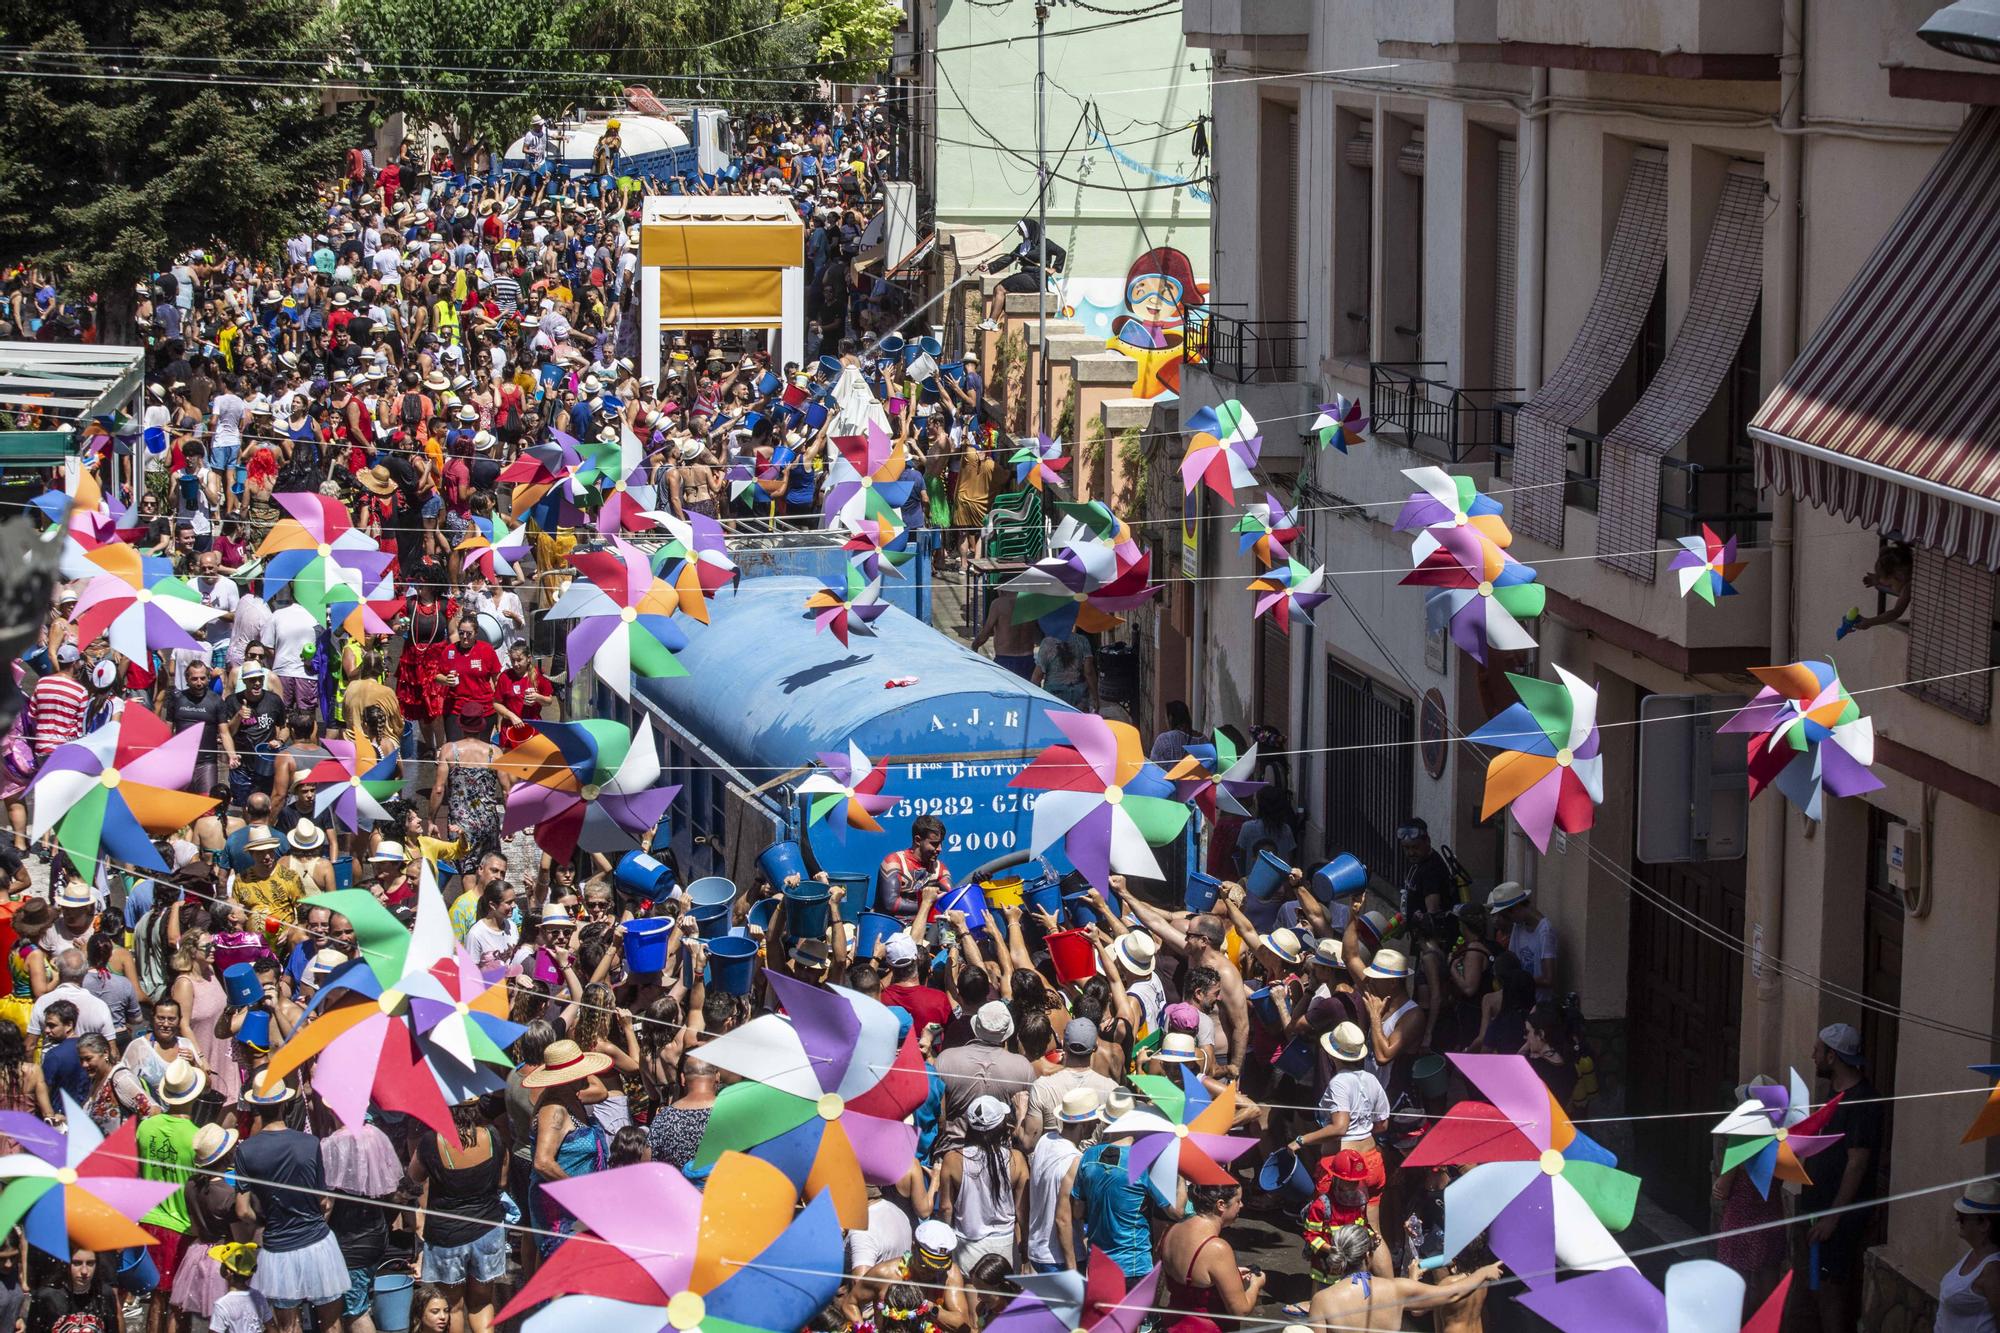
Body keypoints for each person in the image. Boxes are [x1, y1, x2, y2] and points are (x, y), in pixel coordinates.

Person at [232, 1082, 348, 1332]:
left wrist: (263, 1221)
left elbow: (242, 1212)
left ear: (255, 1107)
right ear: (285, 1104)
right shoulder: (309, 1143)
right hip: (317, 1243)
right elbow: (323, 1201)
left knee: (288, 1327)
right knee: (331, 1323)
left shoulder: (246, 1151)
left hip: (278, 1249)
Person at [1798, 1022, 1883, 1332]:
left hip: (1837, 1218)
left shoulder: (1861, 1101)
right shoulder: (1833, 1093)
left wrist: (1833, 1217)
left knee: (1833, 1290)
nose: (1813, 1055)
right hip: (1817, 1207)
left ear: (1832, 1056)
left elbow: (1857, 1162)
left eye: (1818, 1051)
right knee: (1817, 1289)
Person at [407, 1099, 508, 1333]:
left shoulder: (431, 1141)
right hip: (488, 1230)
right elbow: (502, 1181)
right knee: (482, 1302)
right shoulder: (493, 1136)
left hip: (447, 1236)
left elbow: (414, 1178)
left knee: (452, 1306)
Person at [1306, 1225, 1501, 1331]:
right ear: (1367, 1255)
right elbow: (1451, 1294)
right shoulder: (1396, 1289)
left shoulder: (1322, 1300)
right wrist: (1482, 1272)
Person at [524, 1039, 612, 1257]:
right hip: (561, 1208)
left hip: (576, 1205)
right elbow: (543, 1162)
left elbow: (602, 1092)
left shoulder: (571, 1098)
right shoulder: (554, 1109)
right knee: (562, 1270)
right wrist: (577, 1193)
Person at [938, 1094, 1026, 1272]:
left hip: (967, 1247)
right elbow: (1022, 1210)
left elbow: (946, 1208)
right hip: (1005, 1246)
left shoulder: (953, 1159)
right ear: (1001, 1126)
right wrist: (1025, 1241)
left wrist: (944, 1244)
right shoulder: (1016, 1159)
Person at [1160, 1183, 1267, 1328]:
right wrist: (1256, 1284)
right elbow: (1240, 1310)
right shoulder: (1217, 1248)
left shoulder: (1172, 1230)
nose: (1241, 1205)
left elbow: (1193, 1278)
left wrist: (1230, 1276)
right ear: (1221, 1205)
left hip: (1174, 1324)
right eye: (1238, 1201)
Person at [1024, 1087, 1098, 1273]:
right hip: (1060, 1258)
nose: (1097, 1125)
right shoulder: (1076, 1161)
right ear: (1084, 1125)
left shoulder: (1045, 1140)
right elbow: (1063, 1219)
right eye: (1094, 1121)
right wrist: (1072, 1268)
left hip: (1037, 1250)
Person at [1941, 1180, 2000, 1333]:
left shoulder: (1992, 1271)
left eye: (1962, 1217)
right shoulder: (1974, 1254)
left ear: (1984, 1225)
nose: (1957, 1221)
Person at [1488, 882, 1555, 1001]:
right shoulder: (1518, 926)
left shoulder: (1544, 931)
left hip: (1538, 1002)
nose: (1510, 921)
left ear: (1516, 909)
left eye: (1507, 916)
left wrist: (1518, 980)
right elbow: (1512, 959)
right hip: (1520, 999)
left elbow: (1548, 979)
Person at [27, 1245, 118, 1333]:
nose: (84, 1271)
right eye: (77, 1263)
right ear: (66, 1263)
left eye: (90, 1263)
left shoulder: (104, 1294)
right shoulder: (46, 1297)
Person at [876, 815, 952, 921]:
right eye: (934, 844)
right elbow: (891, 904)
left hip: (924, 929)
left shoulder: (939, 869)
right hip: (889, 928)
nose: (940, 849)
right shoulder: (894, 862)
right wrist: (928, 903)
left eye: (941, 843)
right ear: (917, 840)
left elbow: (952, 899)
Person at [206, 1244, 275, 1333]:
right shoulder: (258, 1297)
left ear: (228, 1272)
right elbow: (273, 1329)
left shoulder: (222, 1305)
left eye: (222, 1263)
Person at [1030, 630, 1098, 711]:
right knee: (1078, 722)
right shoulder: (1082, 640)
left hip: (1054, 696)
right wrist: (1095, 697)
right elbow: (1089, 672)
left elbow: (1037, 676)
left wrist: (1032, 700)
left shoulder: (1047, 643)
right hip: (1079, 696)